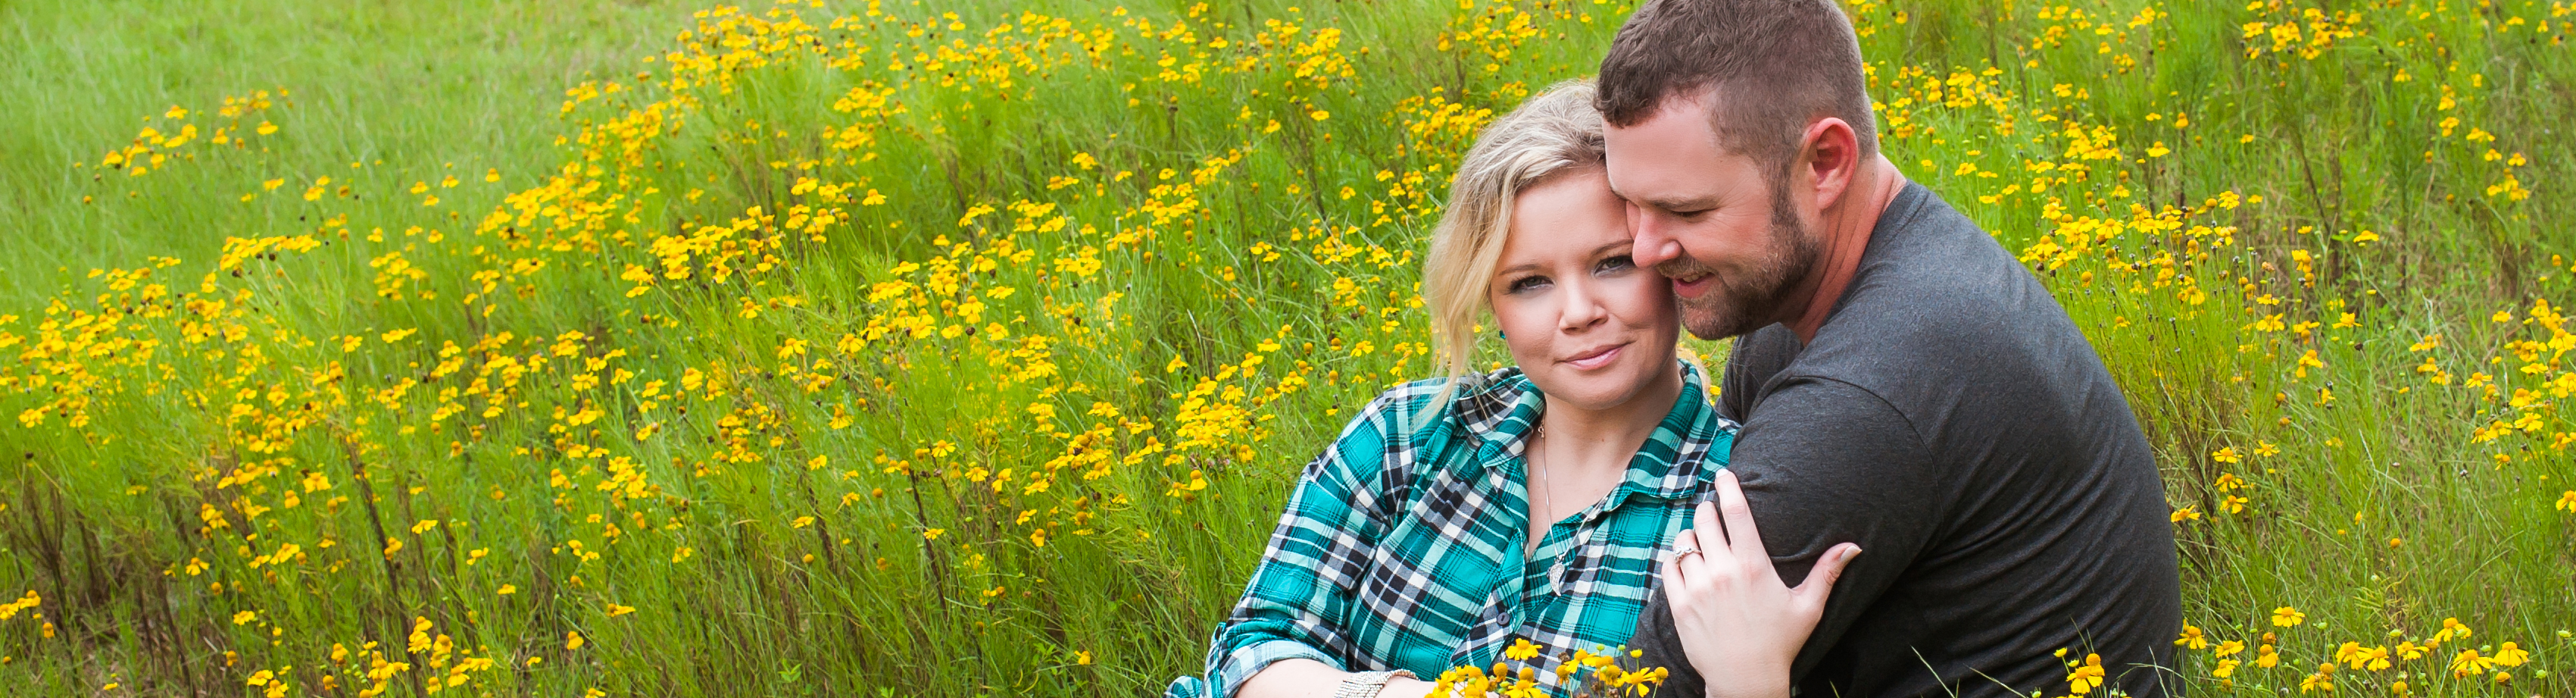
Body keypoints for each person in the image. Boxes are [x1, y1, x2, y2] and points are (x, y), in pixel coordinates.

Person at [1164, 82, 1859, 698]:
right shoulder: (1407, 434)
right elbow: (1255, 646)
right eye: (1530, 282)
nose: (1578, 311)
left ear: (1670, 263)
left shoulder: (1732, 504)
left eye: (1612, 263)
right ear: (1491, 306)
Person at [1591, 2, 2184, 697]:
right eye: (1629, 203)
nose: (1644, 247)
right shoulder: (1835, 280)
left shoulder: (1867, 395)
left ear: (1825, 163)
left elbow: (1638, 686)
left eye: (1687, 211)